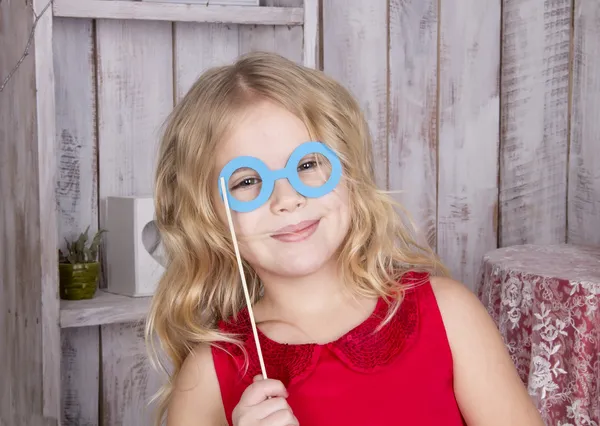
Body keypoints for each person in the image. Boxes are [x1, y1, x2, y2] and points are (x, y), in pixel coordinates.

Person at [145, 52, 544, 426]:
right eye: (248, 181)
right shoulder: (207, 379)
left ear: (350, 174)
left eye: (307, 164)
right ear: (208, 215)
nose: (287, 199)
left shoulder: (450, 315)